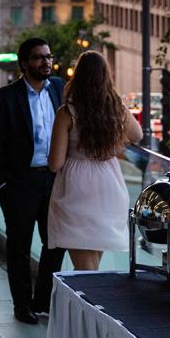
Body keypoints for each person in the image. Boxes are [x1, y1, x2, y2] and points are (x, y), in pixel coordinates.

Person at [0, 38, 66, 324]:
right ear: (24, 63)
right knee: (19, 246)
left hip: (53, 180)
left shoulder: (58, 89)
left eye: (48, 56)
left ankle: (42, 299)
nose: (46, 62)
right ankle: (22, 305)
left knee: (55, 243)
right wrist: (1, 187)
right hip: (20, 183)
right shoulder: (5, 98)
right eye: (38, 57)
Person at [47, 51, 143, 271]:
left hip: (77, 189)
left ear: (78, 76)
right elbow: (137, 135)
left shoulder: (67, 113)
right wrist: (113, 145)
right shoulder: (116, 107)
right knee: (92, 266)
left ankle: (92, 305)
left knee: (85, 271)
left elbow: (55, 163)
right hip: (109, 184)